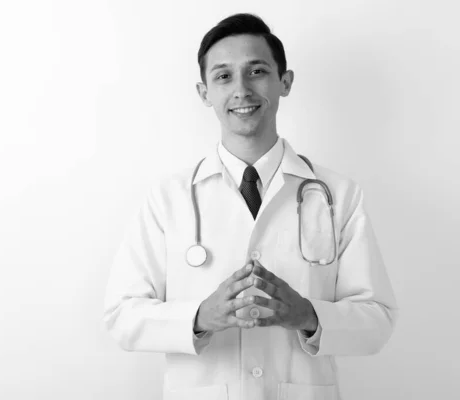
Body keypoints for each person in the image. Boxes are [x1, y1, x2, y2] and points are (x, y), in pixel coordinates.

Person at [103, 13, 399, 400]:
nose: (241, 89)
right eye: (223, 76)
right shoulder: (168, 198)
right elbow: (121, 315)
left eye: (256, 71)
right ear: (204, 92)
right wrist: (199, 317)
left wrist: (307, 315)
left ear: (284, 82)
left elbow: (377, 320)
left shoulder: (338, 195)